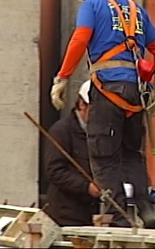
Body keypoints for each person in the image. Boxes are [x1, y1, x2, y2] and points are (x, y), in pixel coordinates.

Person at [49, 0, 155, 229]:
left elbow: (80, 38)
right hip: (136, 92)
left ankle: (119, 217)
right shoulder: (136, 9)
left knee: (104, 156)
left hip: (107, 88)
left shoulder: (93, 5)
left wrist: (63, 77)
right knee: (131, 153)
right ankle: (146, 207)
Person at [44, 81, 100, 226]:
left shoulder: (103, 133)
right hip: (67, 215)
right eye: (97, 110)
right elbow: (54, 171)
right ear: (82, 105)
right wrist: (86, 187)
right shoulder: (61, 131)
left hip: (95, 214)